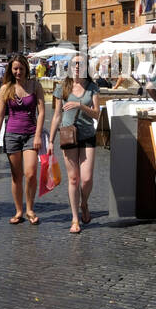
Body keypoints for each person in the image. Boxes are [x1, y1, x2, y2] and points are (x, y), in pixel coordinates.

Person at [0, 53, 46, 225]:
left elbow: (42, 112)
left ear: (26, 69)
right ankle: (19, 211)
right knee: (16, 176)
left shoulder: (35, 85)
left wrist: (38, 135)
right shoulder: (6, 88)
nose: (18, 72)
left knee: (30, 173)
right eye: (15, 69)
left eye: (21, 69)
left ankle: (30, 208)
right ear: (11, 69)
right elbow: (0, 115)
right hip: (12, 135)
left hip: (31, 134)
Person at [49, 55, 99, 233]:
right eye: (74, 64)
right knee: (73, 179)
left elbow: (96, 115)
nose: (77, 67)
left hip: (87, 136)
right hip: (67, 134)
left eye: (81, 64)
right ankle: (75, 218)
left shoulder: (92, 87)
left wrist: (80, 105)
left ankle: (84, 203)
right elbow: (56, 116)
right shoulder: (62, 88)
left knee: (86, 179)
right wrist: (50, 141)